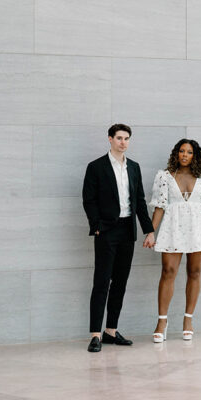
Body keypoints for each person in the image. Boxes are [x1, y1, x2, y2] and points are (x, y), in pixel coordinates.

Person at [82, 124, 155, 353]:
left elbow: (139, 200)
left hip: (127, 230)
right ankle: (95, 335)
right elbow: (89, 199)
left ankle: (111, 331)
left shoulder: (134, 167)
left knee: (120, 283)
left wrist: (149, 230)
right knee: (102, 282)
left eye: (127, 138)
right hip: (106, 230)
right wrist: (96, 226)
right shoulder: (96, 167)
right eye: (119, 138)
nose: (123, 142)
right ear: (110, 139)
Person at [146, 138, 201, 342]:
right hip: (173, 227)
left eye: (189, 152)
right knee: (168, 271)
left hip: (197, 227)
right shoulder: (165, 176)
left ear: (195, 156)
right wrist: (150, 232)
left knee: (194, 272)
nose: (184, 155)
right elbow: (159, 206)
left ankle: (188, 320)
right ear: (176, 153)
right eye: (181, 151)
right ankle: (162, 321)